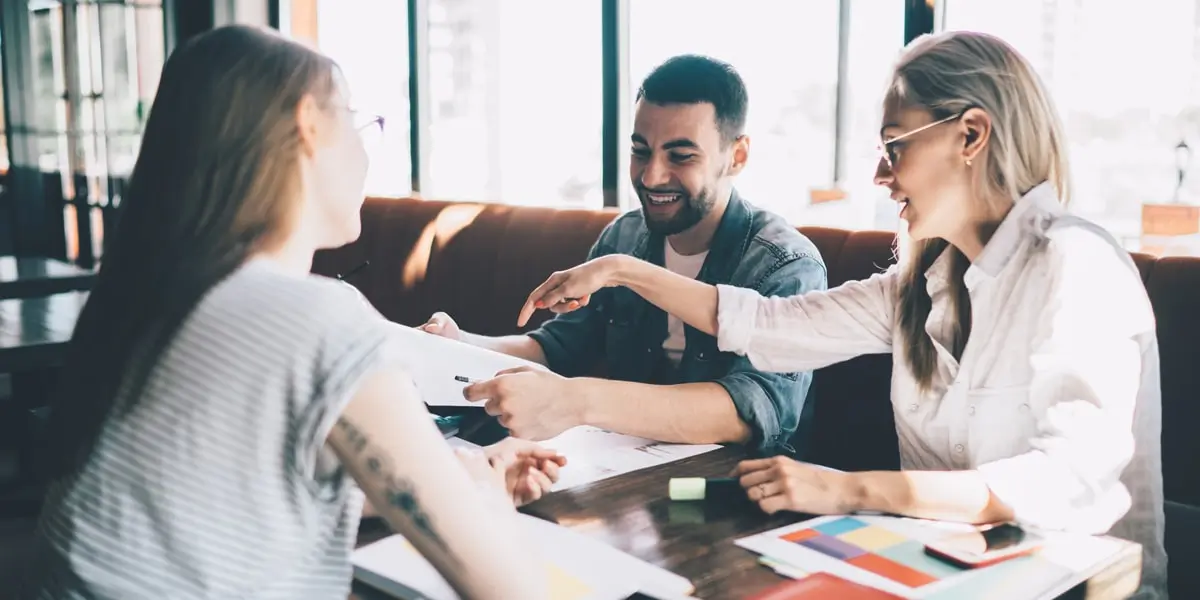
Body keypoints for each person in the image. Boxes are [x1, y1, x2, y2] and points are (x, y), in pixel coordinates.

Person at [516, 31, 1166, 598]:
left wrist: (849, 489)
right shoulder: (918, 285)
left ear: (970, 135)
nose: (881, 175)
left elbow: (1064, 482)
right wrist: (623, 269)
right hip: (939, 572)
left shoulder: (1075, 265)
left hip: (1072, 582)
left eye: (895, 146)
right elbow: (768, 324)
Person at [20, 25, 562, 600]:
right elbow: (507, 589)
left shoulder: (166, 292)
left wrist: (449, 476)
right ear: (309, 125)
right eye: (360, 124)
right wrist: (480, 499)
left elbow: (232, 498)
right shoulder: (315, 319)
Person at [421, 55, 826, 455]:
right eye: (641, 151)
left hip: (739, 491)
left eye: (681, 156)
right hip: (623, 476)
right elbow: (560, 346)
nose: (651, 177)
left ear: (736, 156)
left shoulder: (785, 264)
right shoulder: (626, 234)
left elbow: (756, 408)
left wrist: (577, 401)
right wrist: (460, 345)